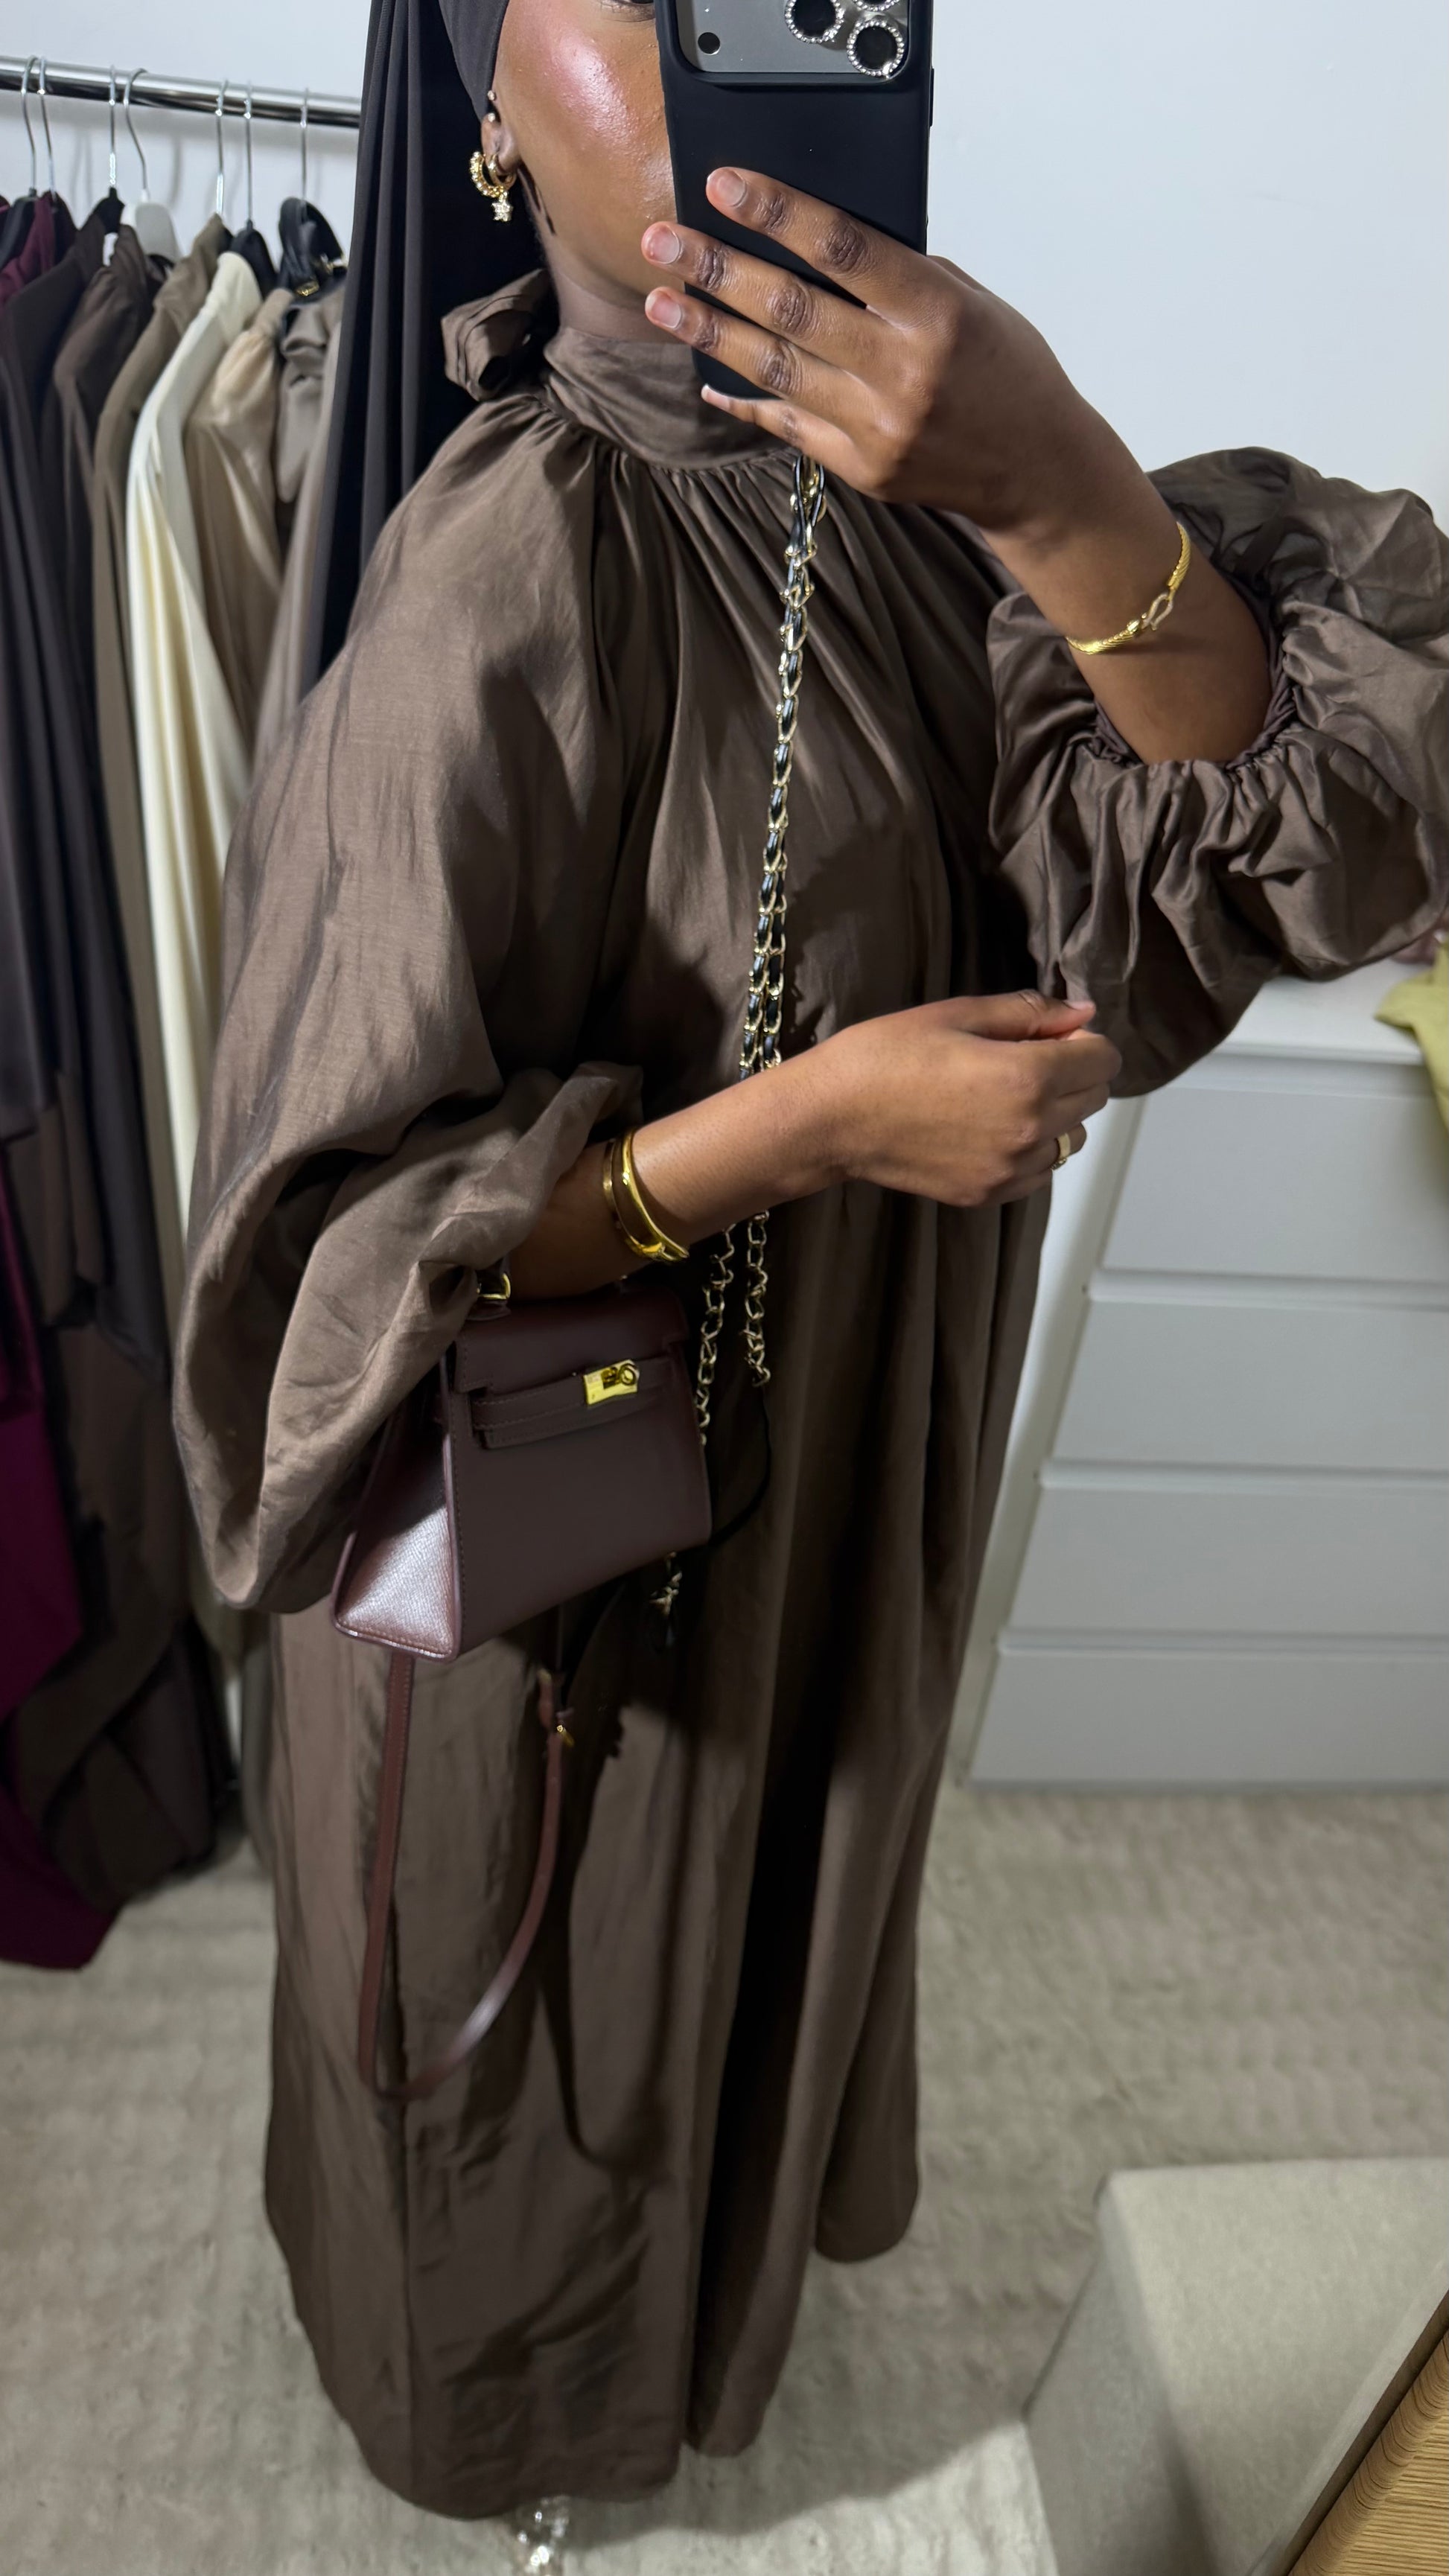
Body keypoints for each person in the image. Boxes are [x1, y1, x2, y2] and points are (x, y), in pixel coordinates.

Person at [174, 0, 1448, 2540]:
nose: (692, 29)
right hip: (562, 1560)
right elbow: (318, 1292)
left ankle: (690, 2331)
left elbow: (1279, 843)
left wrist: (1058, 482)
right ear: (486, 113)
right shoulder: (498, 583)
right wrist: (811, 1125)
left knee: (765, 1938)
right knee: (553, 2014)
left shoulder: (933, 499)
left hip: (843, 1459)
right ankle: (514, 2428)